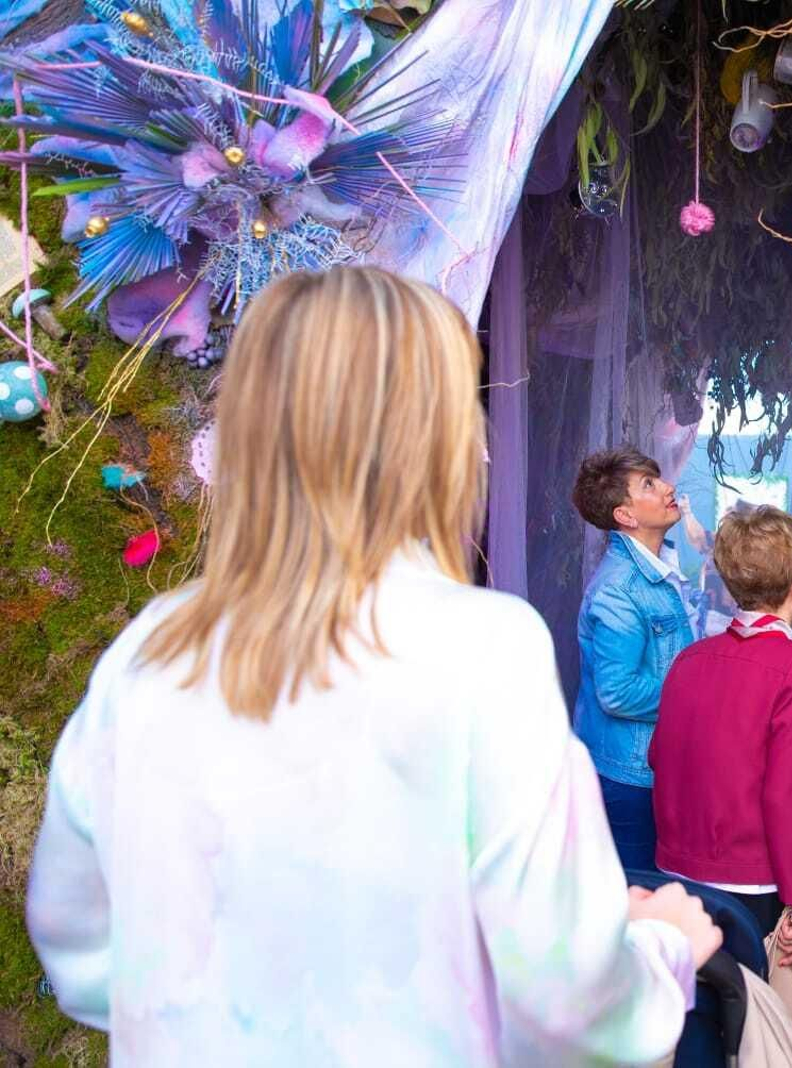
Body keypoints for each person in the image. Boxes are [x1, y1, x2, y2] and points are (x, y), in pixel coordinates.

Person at [25, 267, 720, 1066]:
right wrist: (660, 949)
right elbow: (569, 1001)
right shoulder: (484, 650)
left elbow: (82, 953)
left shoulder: (148, 653)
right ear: (439, 442)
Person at [650, 505, 792, 966]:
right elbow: (787, 796)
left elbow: (660, 759)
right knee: (747, 1021)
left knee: (693, 1011)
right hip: (749, 881)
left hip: (676, 873)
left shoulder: (691, 659)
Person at [572, 447, 697, 871]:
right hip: (629, 776)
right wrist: (699, 697)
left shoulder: (656, 570)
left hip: (650, 768)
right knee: (636, 902)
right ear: (625, 515)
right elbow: (617, 693)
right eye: (649, 484)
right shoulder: (619, 589)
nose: (668, 488)